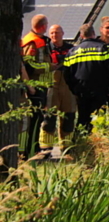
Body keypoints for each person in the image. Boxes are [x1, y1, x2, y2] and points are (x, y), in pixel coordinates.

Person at [63, 24, 109, 135]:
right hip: (100, 89)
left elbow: (67, 74)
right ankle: (101, 142)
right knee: (100, 118)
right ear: (93, 34)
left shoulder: (72, 51)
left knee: (82, 118)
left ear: (81, 36)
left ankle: (80, 143)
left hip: (81, 90)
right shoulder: (102, 48)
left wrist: (74, 90)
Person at [40, 24, 77, 153]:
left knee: (69, 117)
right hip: (52, 86)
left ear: (63, 33)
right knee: (49, 117)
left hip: (68, 86)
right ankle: (45, 148)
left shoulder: (71, 48)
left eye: (57, 32)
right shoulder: (45, 49)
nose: (54, 35)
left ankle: (66, 148)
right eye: (52, 33)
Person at [21, 14, 52, 158]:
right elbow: (28, 64)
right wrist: (50, 66)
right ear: (44, 26)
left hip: (41, 84)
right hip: (35, 85)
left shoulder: (39, 40)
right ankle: (30, 150)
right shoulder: (32, 42)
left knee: (39, 118)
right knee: (35, 119)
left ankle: (34, 148)